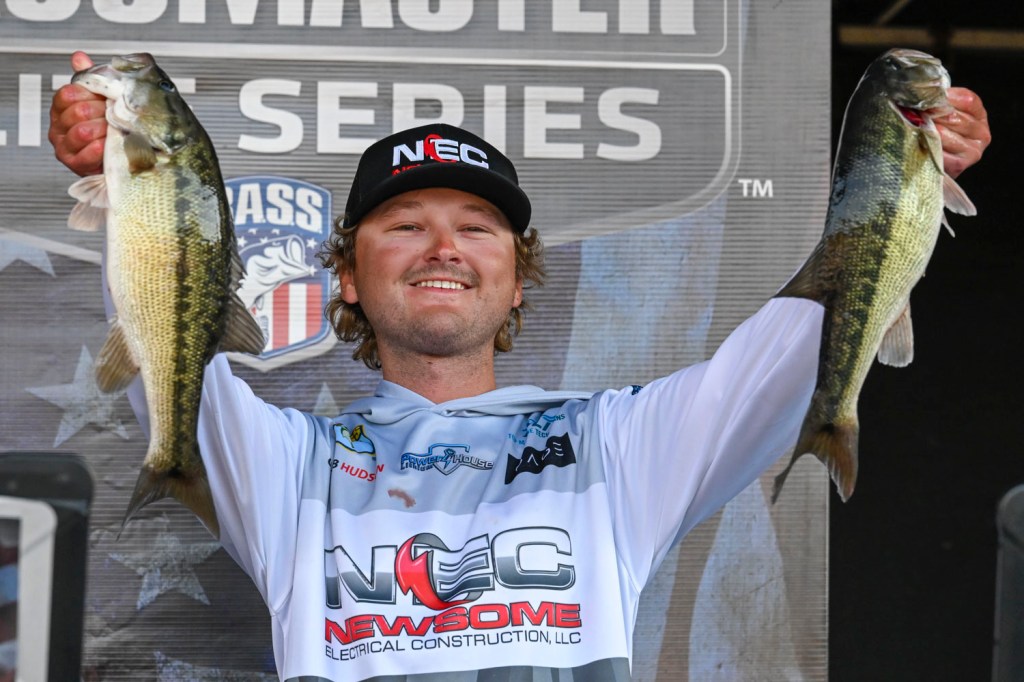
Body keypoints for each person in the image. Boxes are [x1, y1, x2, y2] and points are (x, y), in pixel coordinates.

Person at [50, 52, 990, 681]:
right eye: (404, 224)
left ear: (517, 279)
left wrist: (902, 175)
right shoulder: (286, 463)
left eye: (478, 226)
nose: (443, 247)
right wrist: (125, 177)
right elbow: (168, 346)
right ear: (347, 275)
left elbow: (800, 344)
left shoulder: (618, 444)